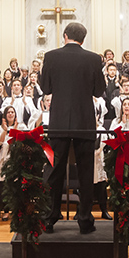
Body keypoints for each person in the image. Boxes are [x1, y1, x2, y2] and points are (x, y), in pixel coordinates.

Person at [39, 21, 106, 234]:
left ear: (65, 35)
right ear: (83, 39)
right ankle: (85, 220)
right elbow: (98, 91)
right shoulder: (94, 59)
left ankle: (49, 219)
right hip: (85, 124)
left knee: (53, 171)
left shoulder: (51, 56)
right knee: (86, 173)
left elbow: (45, 87)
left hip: (58, 123)